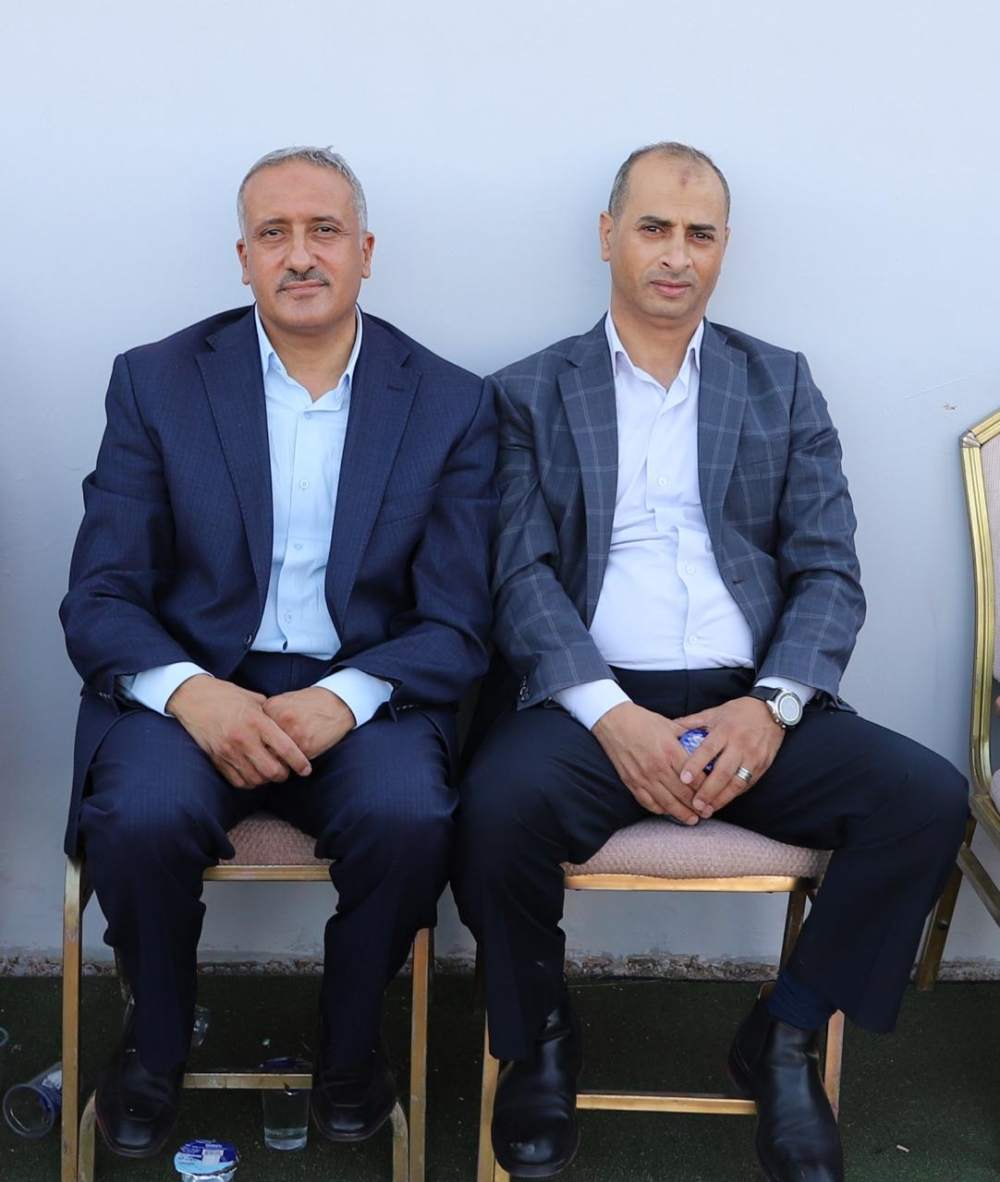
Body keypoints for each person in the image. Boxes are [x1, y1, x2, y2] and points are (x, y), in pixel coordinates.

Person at [454, 141, 968, 1182]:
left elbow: (829, 571)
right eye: (653, 228)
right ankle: (540, 1038)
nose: (675, 255)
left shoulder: (779, 382)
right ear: (609, 236)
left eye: (699, 233)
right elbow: (518, 576)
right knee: (491, 809)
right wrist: (609, 714)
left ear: (725, 246)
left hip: (750, 699)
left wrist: (770, 707)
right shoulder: (525, 392)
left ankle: (784, 1036)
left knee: (925, 800)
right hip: (589, 704)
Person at [60, 146, 496, 1158]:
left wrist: (346, 697)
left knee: (410, 816)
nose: (300, 256)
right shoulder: (156, 382)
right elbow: (102, 595)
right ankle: (154, 1042)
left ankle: (349, 1048)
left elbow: (457, 619)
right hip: (194, 684)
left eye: (323, 231)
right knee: (139, 814)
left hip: (366, 692)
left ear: (365, 250)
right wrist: (191, 693)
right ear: (245, 257)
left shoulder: (449, 401)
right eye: (274, 234)